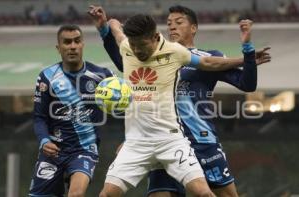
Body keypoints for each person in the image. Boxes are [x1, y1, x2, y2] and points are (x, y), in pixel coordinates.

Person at [91, 5, 271, 197]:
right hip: (159, 139)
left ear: (193, 27)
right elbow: (124, 57)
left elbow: (246, 83)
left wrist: (248, 54)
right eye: (169, 23)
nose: (173, 27)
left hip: (200, 140)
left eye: (179, 22)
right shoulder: (145, 53)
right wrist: (129, 141)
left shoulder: (204, 57)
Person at [29, 24, 114, 197]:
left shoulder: (102, 76)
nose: (73, 46)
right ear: (58, 48)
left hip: (84, 150)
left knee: (76, 194)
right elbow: (39, 118)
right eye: (67, 42)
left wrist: (129, 138)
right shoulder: (47, 77)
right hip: (53, 151)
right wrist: (44, 140)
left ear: (83, 44)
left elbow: (125, 107)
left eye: (77, 41)